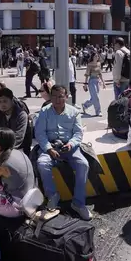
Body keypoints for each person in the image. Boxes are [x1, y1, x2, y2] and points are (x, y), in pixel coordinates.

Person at [35, 85, 91, 220]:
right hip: (50, 146)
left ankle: (78, 203)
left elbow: (78, 133)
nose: (57, 99)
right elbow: (40, 134)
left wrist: (71, 144)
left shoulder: (74, 112)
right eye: (54, 96)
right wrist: (49, 148)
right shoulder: (44, 112)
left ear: (66, 97)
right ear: (50, 96)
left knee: (83, 164)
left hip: (69, 147)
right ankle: (52, 196)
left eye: (60, 96)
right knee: (42, 163)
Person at [82, 52, 106, 116]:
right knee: (96, 97)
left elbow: (100, 74)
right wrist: (85, 84)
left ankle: (85, 105)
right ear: (92, 57)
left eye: (97, 56)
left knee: (94, 98)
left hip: (97, 82)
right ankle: (98, 112)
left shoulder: (99, 64)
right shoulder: (89, 64)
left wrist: (103, 83)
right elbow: (87, 75)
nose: (96, 57)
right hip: (91, 81)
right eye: (95, 56)